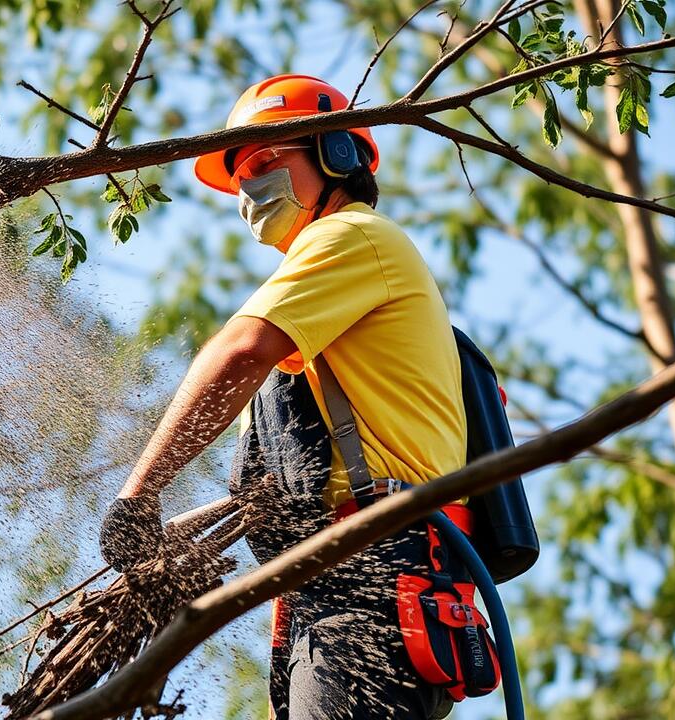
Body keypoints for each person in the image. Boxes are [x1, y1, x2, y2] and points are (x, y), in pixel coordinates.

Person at [98, 75, 468, 719]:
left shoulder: (353, 236)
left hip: (374, 573)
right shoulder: (319, 306)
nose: (250, 189)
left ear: (336, 153)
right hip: (323, 594)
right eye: (240, 176)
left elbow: (239, 352)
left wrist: (139, 495)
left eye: (266, 161)